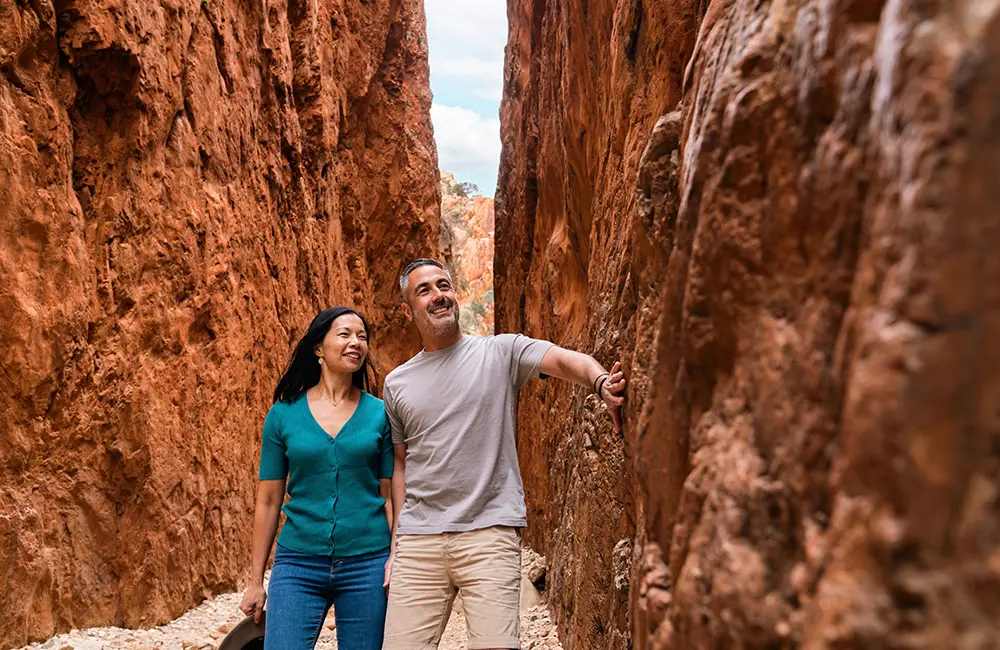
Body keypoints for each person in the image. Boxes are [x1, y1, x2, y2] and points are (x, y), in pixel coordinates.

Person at [381, 258, 627, 650]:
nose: (437, 295)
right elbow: (400, 467)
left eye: (443, 285)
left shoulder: (501, 351)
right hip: (419, 542)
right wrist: (396, 548)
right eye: (423, 290)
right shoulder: (396, 384)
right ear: (409, 308)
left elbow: (564, 359)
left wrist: (600, 382)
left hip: (488, 534)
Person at [239, 307, 394, 650]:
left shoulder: (381, 414)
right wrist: (255, 580)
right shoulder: (283, 415)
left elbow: (390, 494)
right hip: (298, 562)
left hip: (368, 562)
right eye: (344, 334)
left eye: (362, 336)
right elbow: (268, 501)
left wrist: (395, 556)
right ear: (318, 349)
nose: (356, 342)